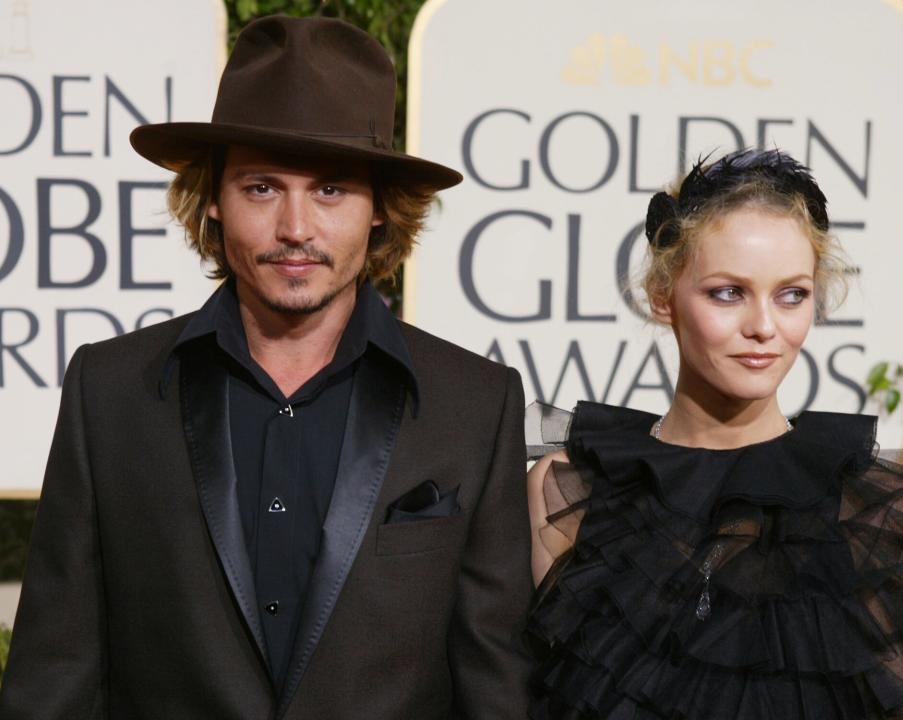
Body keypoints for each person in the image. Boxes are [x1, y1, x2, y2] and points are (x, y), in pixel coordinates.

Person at [0, 15, 533, 719]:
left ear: (379, 209)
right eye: (261, 188)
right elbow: (55, 673)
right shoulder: (110, 391)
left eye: (332, 190)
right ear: (214, 200)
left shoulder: (475, 403)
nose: (296, 228)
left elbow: (495, 683)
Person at [525, 149, 903, 719]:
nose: (763, 327)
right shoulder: (569, 492)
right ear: (663, 297)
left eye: (792, 294)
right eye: (728, 292)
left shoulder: (874, 514)